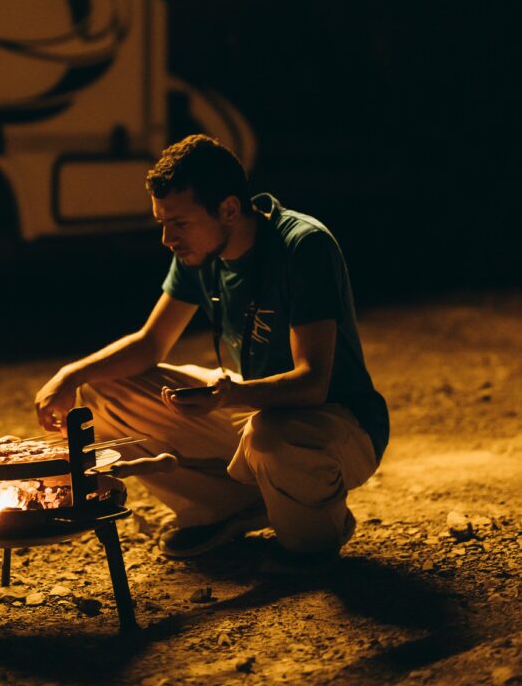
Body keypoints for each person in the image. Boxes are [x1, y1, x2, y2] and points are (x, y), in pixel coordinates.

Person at [35, 135, 389, 564]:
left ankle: (315, 533)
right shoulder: (200, 254)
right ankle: (229, 507)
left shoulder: (302, 245)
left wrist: (227, 395)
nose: (167, 238)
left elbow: (313, 382)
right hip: (257, 407)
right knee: (103, 392)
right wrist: (70, 375)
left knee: (270, 441)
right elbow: (150, 343)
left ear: (228, 209)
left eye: (179, 223)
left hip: (338, 420)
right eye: (162, 222)